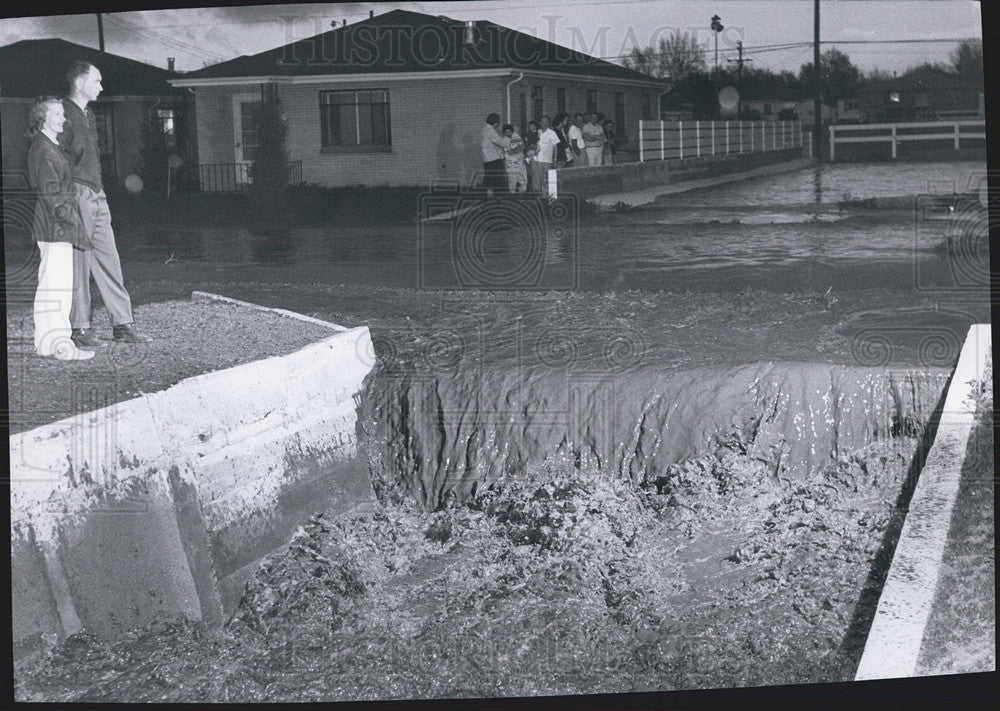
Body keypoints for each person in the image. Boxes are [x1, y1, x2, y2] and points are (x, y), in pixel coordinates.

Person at [61, 61, 151, 347]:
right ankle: (80, 329)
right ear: (79, 82)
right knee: (80, 262)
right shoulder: (63, 113)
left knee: (109, 259)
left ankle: (122, 324)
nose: (101, 86)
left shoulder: (87, 114)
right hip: (76, 193)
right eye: (97, 80)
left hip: (96, 194)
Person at [26, 97, 94, 360]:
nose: (63, 118)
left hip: (54, 228)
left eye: (62, 113)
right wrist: (76, 224)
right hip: (56, 228)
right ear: (42, 117)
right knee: (57, 288)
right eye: (56, 113)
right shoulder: (43, 149)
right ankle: (60, 346)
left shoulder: (49, 146)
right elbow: (52, 195)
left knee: (50, 286)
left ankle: (46, 344)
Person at [480, 112, 510, 198]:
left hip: (487, 158)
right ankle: (496, 196)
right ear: (495, 122)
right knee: (496, 178)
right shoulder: (490, 130)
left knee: (489, 177)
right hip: (493, 158)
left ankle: (489, 195)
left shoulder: (485, 128)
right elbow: (500, 142)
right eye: (498, 122)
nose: (498, 124)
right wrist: (508, 137)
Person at [532, 115, 559, 197]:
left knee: (546, 180)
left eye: (547, 121)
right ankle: (537, 198)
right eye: (543, 121)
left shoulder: (552, 133)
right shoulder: (537, 132)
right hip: (535, 160)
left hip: (546, 160)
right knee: (536, 181)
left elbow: (555, 147)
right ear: (540, 123)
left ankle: (546, 198)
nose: (545, 123)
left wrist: (555, 159)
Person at [501, 124, 528, 194]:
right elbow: (511, 152)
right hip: (511, 165)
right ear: (504, 133)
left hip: (520, 163)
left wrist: (517, 149)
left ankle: (521, 198)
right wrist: (518, 148)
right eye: (506, 132)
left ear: (512, 131)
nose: (508, 133)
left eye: (509, 131)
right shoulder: (503, 140)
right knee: (512, 183)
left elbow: (523, 147)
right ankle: (513, 199)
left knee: (524, 182)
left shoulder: (516, 136)